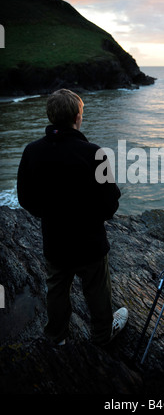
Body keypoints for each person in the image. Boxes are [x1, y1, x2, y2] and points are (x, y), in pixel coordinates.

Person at [17, 88, 128, 346]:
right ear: (77, 117)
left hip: (54, 238)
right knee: (98, 291)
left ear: (50, 116)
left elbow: (25, 198)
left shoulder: (32, 151)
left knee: (56, 288)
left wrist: (49, 214)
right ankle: (102, 334)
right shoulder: (94, 153)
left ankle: (56, 336)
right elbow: (110, 204)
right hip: (90, 241)